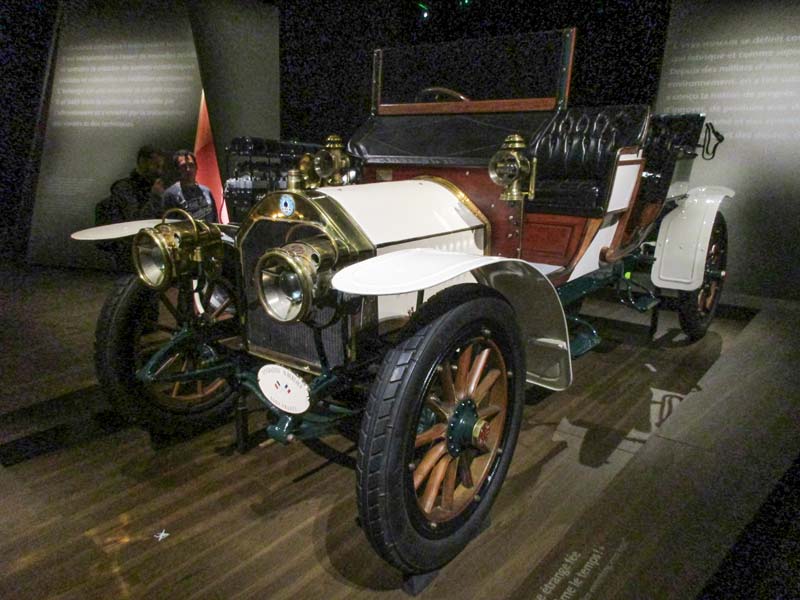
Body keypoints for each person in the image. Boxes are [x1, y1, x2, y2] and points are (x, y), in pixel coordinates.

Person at [95, 145, 165, 270]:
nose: (159, 172)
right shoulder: (124, 188)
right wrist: (155, 198)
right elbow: (136, 223)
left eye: (160, 167)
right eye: (156, 166)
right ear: (142, 162)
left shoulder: (153, 187)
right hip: (131, 255)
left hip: (151, 250)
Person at [157, 150, 218, 223]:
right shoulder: (171, 195)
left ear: (196, 167)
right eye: (183, 166)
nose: (188, 170)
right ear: (177, 170)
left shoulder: (206, 191)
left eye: (191, 165)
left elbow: (215, 220)